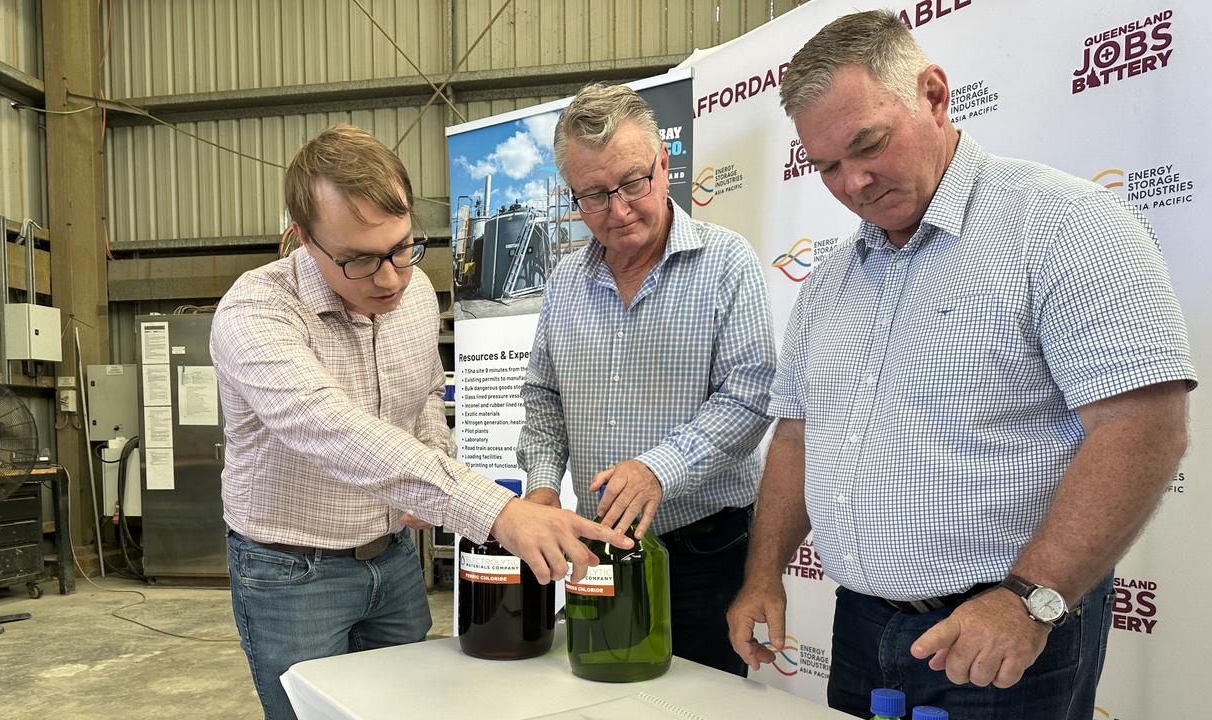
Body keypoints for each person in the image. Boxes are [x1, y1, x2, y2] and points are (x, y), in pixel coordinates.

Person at [726, 10, 1196, 719]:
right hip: (862, 627)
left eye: (868, 144)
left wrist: (1029, 600)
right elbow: (796, 434)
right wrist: (763, 574)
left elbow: (1144, 428)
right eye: (826, 166)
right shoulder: (830, 280)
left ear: (936, 97)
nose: (853, 183)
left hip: (1004, 630)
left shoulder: (1065, 225)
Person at [211, 124, 629, 720]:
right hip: (291, 573)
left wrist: (436, 477)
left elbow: (425, 399)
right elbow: (329, 428)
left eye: (403, 247)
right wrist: (496, 511)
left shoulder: (411, 298)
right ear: (304, 238)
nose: (389, 278)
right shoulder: (257, 313)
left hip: (393, 560)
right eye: (358, 259)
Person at [517, 83, 776, 676]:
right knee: (600, 690)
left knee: (699, 704)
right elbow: (543, 396)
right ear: (571, 194)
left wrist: (658, 467)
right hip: (597, 545)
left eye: (634, 182)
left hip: (705, 546)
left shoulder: (726, 261)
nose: (619, 209)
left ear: (664, 164)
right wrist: (541, 485)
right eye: (593, 195)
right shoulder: (563, 282)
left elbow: (751, 393)